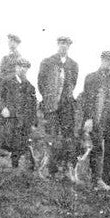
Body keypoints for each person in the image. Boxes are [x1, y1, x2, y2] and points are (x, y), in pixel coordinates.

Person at [79, 51, 110, 190]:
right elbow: (86, 100)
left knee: (109, 151)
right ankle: (93, 178)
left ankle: (101, 179)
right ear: (102, 60)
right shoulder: (92, 78)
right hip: (96, 119)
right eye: (107, 60)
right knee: (95, 148)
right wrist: (88, 119)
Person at [37, 36, 80, 178]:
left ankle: (66, 169)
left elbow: (72, 83)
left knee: (68, 137)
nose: (63, 46)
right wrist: (49, 98)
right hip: (51, 105)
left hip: (66, 106)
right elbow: (41, 83)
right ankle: (50, 169)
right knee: (51, 136)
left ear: (69, 47)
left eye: (66, 44)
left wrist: (65, 98)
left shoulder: (73, 65)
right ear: (57, 44)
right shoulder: (48, 62)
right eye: (61, 44)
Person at [0, 57, 38, 168]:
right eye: (20, 66)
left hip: (21, 121)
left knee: (18, 145)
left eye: (25, 67)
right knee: (1, 141)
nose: (22, 69)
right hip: (7, 118)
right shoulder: (6, 81)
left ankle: (15, 168)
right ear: (16, 67)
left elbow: (33, 107)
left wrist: (33, 122)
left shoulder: (30, 87)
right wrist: (3, 108)